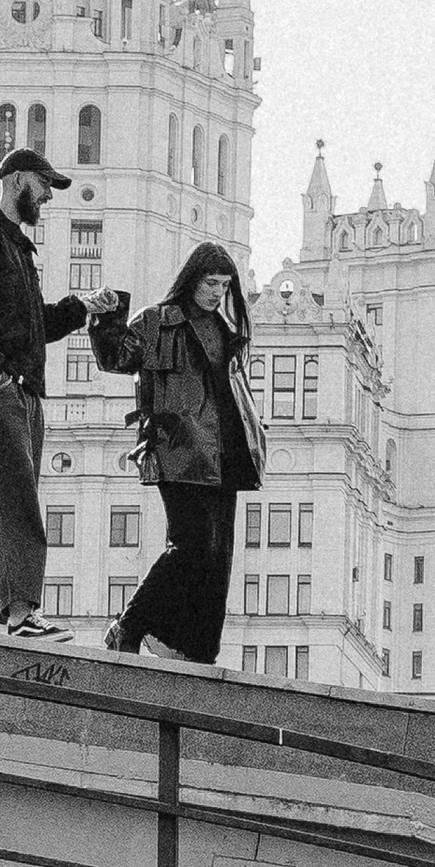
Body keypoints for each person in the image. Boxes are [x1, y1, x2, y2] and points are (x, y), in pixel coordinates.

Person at [0, 143, 112, 641]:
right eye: (44, 184)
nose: (49, 196)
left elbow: (33, 326)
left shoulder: (15, 246)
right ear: (16, 181)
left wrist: (83, 306)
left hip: (20, 389)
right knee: (13, 498)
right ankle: (21, 613)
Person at [90, 241, 266, 664]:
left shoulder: (225, 330)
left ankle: (197, 651)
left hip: (224, 456)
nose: (217, 293)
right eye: (210, 283)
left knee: (218, 558)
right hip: (178, 449)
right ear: (191, 280)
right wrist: (107, 317)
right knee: (190, 546)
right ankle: (128, 626)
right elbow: (116, 358)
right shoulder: (157, 320)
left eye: (224, 285)